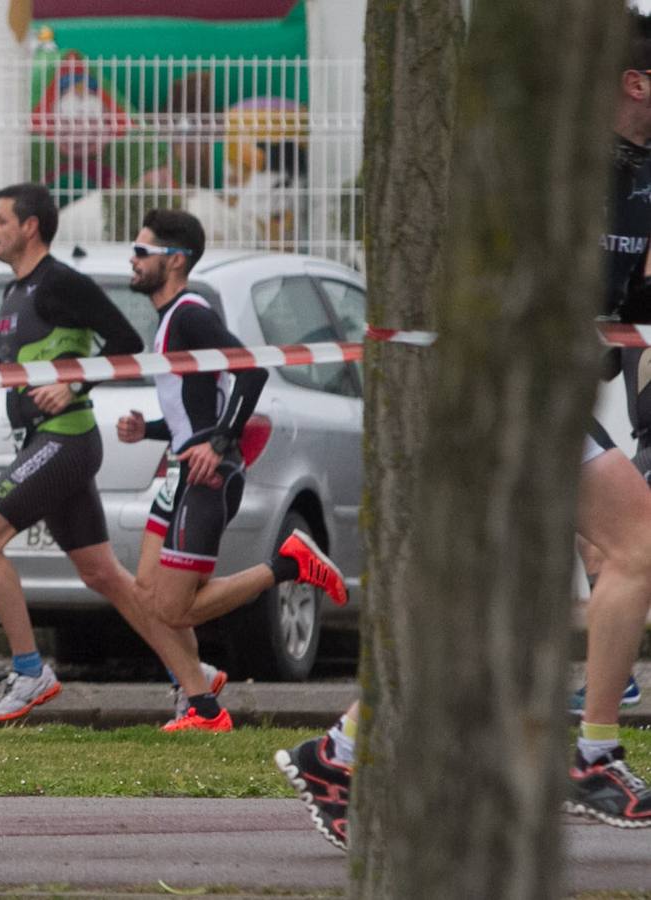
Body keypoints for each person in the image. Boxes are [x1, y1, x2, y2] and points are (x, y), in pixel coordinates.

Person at [281, 36, 651, 846]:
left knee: (484, 605)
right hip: (493, 386)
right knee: (633, 545)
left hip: (544, 393)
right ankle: (589, 753)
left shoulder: (638, 176)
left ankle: (339, 750)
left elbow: (622, 286)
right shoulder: (554, 165)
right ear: (634, 81)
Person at [0, 183, 207, 724]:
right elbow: (31, 363)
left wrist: (76, 388)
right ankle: (193, 677)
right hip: (48, 442)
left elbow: (128, 344)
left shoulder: (61, 282)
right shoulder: (16, 291)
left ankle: (30, 671)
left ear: (29, 227)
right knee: (104, 574)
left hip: (64, 440)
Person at [107, 208, 346, 734]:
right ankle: (201, 703)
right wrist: (146, 430)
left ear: (175, 260)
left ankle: (290, 566)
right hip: (180, 472)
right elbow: (194, 407)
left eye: (142, 251)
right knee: (146, 595)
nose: (133, 258)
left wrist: (220, 443)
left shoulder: (190, 312)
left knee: (175, 609)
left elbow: (251, 371)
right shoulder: (172, 320)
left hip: (208, 476)